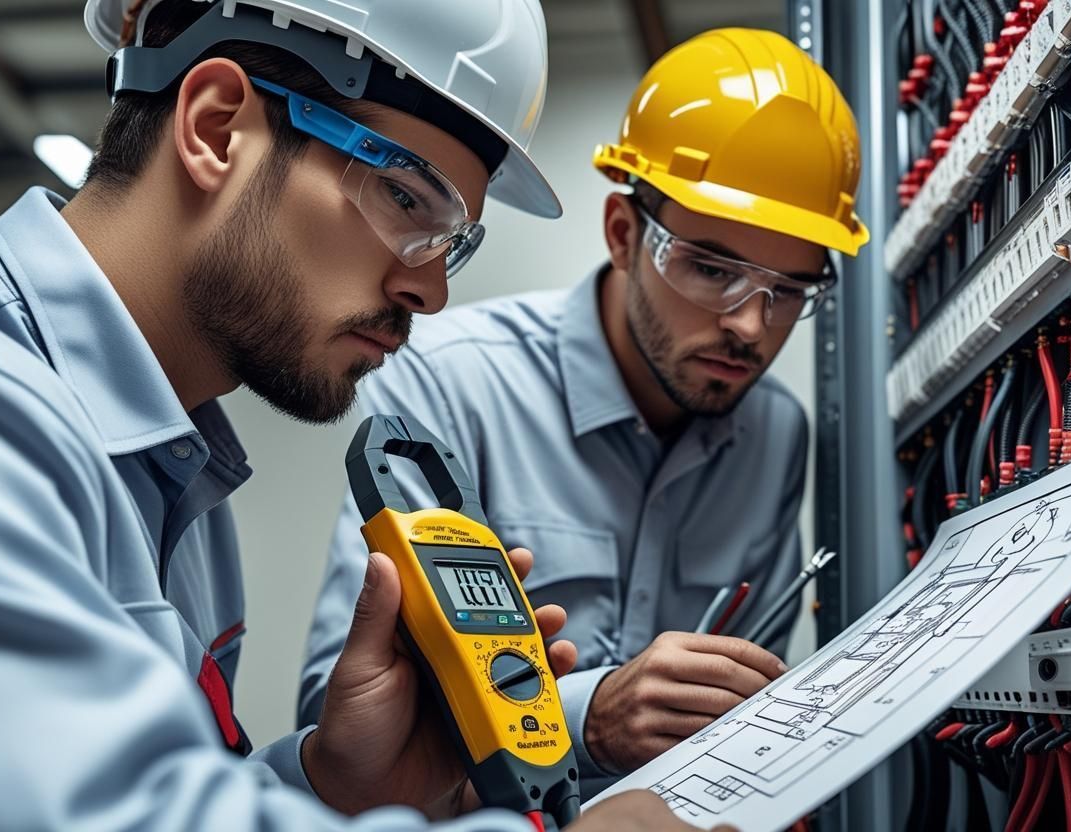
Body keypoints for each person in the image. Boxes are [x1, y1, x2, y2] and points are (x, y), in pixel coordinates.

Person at [0, 0, 698, 828]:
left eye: (451, 241)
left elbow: (152, 782)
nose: (428, 289)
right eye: (405, 200)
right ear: (215, 129)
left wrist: (333, 780)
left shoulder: (181, 477)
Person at [300, 28, 870, 794]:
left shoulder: (775, 435)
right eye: (710, 268)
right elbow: (346, 732)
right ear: (623, 234)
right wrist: (586, 715)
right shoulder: (452, 384)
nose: (749, 324)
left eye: (789, 290)